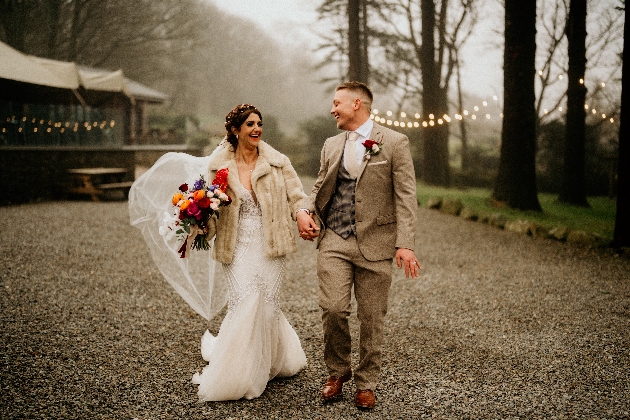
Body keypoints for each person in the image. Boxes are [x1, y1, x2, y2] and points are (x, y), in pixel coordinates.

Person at [130, 104, 307, 402]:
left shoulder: (278, 162)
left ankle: (272, 360)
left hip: (271, 245)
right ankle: (240, 373)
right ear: (236, 130)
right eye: (250, 124)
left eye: (259, 123)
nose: (257, 129)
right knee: (245, 303)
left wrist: (302, 213)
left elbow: (296, 196)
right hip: (235, 246)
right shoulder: (217, 165)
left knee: (267, 304)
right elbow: (209, 210)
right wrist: (194, 222)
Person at [296, 82, 421, 410]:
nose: (332, 109)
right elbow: (320, 185)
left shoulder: (394, 142)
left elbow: (406, 196)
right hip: (334, 237)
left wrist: (404, 244)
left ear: (357, 104)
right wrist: (305, 211)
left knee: (371, 316)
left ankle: (367, 382)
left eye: (337, 103)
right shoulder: (331, 144)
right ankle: (337, 372)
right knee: (334, 309)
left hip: (377, 243)